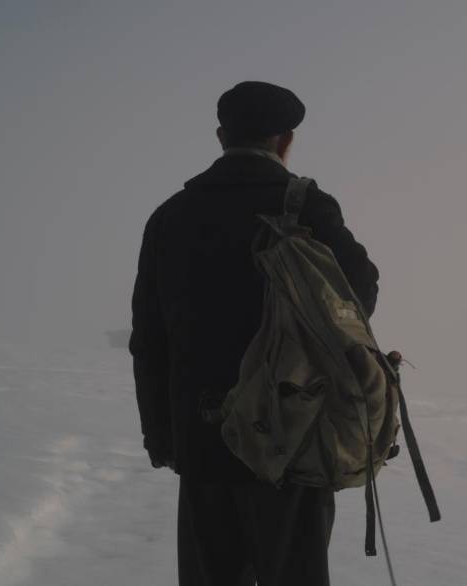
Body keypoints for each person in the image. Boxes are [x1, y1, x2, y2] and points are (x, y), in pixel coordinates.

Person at [130, 81, 380, 586]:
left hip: (201, 440)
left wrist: (162, 434)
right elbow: (360, 297)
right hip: (291, 432)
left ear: (221, 135)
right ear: (284, 140)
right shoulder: (307, 206)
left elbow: (148, 338)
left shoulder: (170, 216)